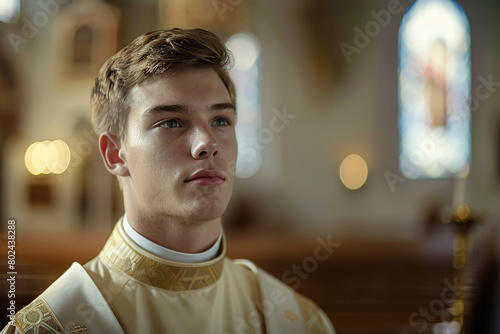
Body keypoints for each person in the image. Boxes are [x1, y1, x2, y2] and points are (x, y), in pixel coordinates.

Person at [2, 28, 335, 334]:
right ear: (115, 153)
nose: (208, 143)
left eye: (221, 119)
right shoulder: (52, 324)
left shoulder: (297, 321)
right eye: (173, 122)